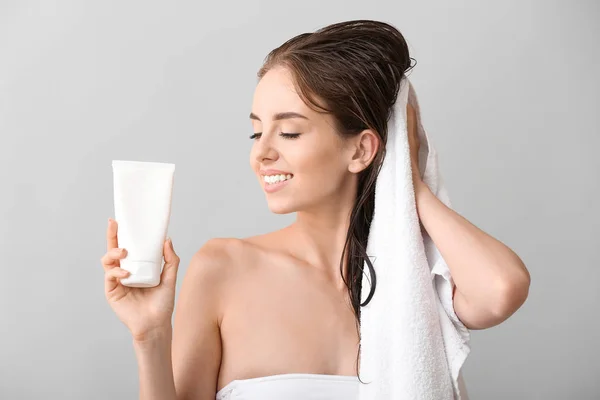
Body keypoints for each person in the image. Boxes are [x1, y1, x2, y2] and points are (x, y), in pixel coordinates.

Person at [100, 19, 530, 400]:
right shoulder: (224, 267)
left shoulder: (415, 280)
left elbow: (501, 289)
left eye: (288, 132)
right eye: (256, 133)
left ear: (361, 149)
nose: (262, 154)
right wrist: (151, 334)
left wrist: (407, 182)